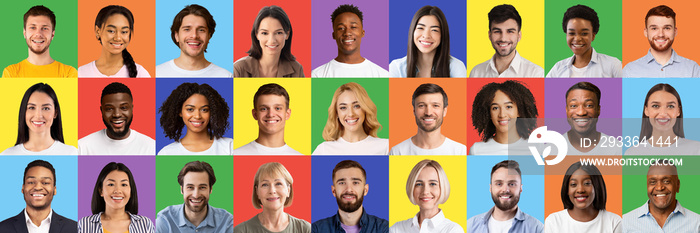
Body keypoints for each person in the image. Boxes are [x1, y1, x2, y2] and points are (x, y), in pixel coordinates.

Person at [0, 160, 78, 233]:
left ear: (54, 190)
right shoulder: (2, 228)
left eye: (45, 183)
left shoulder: (74, 228)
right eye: (31, 182)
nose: (37, 187)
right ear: (23, 188)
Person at [311, 4, 389, 78]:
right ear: (334, 35)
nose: (347, 33)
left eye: (353, 27)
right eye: (341, 28)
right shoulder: (318, 75)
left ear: (362, 33)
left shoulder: (382, 75)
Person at [621, 160, 700, 232]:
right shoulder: (625, 222)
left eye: (666, 181)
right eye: (652, 182)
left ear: (677, 185)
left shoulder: (697, 223)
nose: (659, 187)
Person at [78, 82, 156, 155]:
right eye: (109, 109)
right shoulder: (83, 147)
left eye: (124, 107)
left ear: (131, 109)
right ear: (102, 110)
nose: (117, 114)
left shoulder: (151, 147)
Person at [622, 5, 700, 78]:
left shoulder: (692, 69)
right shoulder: (630, 71)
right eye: (654, 28)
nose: (661, 34)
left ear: (675, 31)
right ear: (646, 32)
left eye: (667, 28)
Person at [388, 5, 466, 77]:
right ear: (412, 31)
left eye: (434, 30)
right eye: (421, 28)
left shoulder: (456, 67)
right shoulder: (397, 68)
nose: (426, 35)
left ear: (442, 35)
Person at [312, 160, 389, 233]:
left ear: (365, 190)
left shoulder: (384, 228)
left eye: (355, 182)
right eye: (342, 183)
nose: (349, 189)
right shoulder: (317, 229)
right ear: (334, 191)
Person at [156, 4, 232, 78]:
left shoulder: (225, 76)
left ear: (209, 36)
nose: (194, 35)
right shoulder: (157, 73)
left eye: (201, 30)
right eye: (187, 29)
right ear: (176, 36)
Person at [156, 161, 233, 233]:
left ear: (211, 189)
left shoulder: (226, 222)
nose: (196, 195)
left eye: (202, 187)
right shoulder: (165, 220)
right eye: (190, 187)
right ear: (182, 189)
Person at [546, 5, 621, 78]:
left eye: (584, 33)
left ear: (593, 36)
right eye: (571, 33)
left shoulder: (613, 65)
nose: (577, 39)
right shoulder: (558, 68)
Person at [467, 160, 543, 233]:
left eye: (512, 184)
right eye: (499, 184)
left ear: (520, 188)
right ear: (491, 188)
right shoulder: (470, 226)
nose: (505, 190)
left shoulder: (536, 228)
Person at [390, 83, 466, 155]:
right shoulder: (397, 152)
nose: (428, 113)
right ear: (414, 111)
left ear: (444, 111)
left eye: (435, 105)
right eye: (421, 106)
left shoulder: (460, 151)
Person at [1, 83, 77, 155]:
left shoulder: (72, 153)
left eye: (46, 108)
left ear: (55, 113)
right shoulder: (6, 155)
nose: (38, 115)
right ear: (23, 111)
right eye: (31, 108)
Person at [312, 82, 388, 155]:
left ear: (365, 109)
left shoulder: (385, 146)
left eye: (356, 106)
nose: (351, 114)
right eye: (343, 107)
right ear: (337, 113)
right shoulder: (324, 150)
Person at [543, 162, 620, 233]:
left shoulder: (614, 222)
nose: (580, 190)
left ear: (597, 187)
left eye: (587, 183)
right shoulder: (553, 221)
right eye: (573, 184)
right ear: (567, 190)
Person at [234, 162, 311, 233]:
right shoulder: (241, 230)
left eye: (278, 184)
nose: (272, 191)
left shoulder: (305, 229)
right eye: (265, 185)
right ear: (257, 191)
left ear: (288, 190)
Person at [469, 4, 543, 78]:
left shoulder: (536, 74)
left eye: (510, 31)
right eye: (497, 31)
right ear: (489, 35)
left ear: (519, 35)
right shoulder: (476, 72)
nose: (503, 38)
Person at [390, 160, 464, 233]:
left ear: (443, 187)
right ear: (411, 187)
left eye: (432, 184)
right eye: (419, 184)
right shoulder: (396, 229)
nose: (425, 191)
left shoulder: (453, 230)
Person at [158, 83, 232, 155]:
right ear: (179, 112)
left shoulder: (229, 147)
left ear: (212, 112)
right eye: (190, 109)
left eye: (204, 110)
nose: (197, 116)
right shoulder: (167, 153)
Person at [2, 5, 77, 78]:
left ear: (52, 34)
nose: (38, 34)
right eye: (32, 27)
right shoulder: (11, 73)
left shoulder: (69, 73)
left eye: (44, 28)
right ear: (24, 33)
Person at [625, 83, 700, 155]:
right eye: (655, 106)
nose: (663, 113)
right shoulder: (632, 153)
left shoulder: (696, 150)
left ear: (678, 111)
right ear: (646, 110)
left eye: (670, 106)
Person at [78, 162, 154, 233]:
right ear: (101, 191)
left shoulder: (145, 224)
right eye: (111, 184)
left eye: (124, 185)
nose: (117, 191)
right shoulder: (84, 224)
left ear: (131, 191)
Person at [78, 5, 150, 77]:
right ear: (98, 31)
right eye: (111, 31)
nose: (118, 38)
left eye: (124, 32)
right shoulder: (81, 73)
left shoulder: (141, 74)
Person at [470, 80, 538, 155]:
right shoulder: (477, 150)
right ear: (489, 113)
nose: (502, 114)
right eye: (495, 108)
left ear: (519, 111)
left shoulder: (536, 149)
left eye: (508, 107)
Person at [234, 6, 303, 77]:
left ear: (287, 34)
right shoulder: (239, 69)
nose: (272, 40)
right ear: (256, 34)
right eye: (264, 33)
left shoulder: (297, 70)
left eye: (279, 33)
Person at [233, 83, 302, 155]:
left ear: (287, 114)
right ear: (255, 114)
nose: (271, 114)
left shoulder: (300, 157)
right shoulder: (236, 153)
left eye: (278, 108)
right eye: (264, 109)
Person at [562, 82, 621, 155]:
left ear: (598, 110)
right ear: (566, 110)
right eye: (574, 106)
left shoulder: (616, 149)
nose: (581, 112)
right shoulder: (552, 148)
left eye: (589, 105)